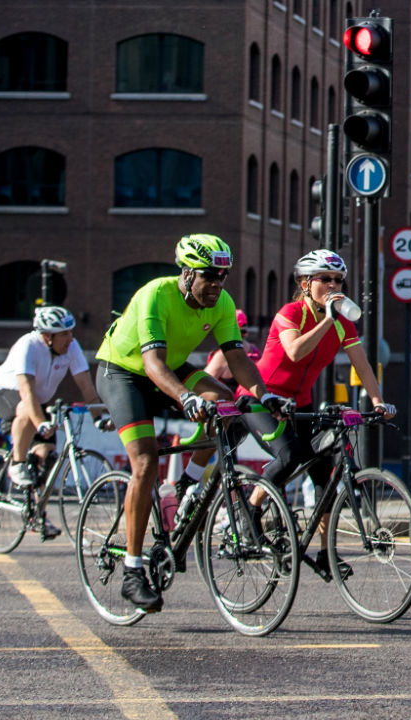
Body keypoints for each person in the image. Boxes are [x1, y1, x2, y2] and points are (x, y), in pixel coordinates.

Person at [93, 234, 284, 613]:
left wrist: (264, 395)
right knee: (145, 461)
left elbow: (238, 359)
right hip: (125, 371)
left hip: (171, 366)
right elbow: (153, 365)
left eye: (222, 276)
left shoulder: (222, 302)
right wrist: (186, 398)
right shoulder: (155, 295)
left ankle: (187, 486)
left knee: (227, 406)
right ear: (186, 273)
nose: (216, 284)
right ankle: (132, 571)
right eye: (208, 276)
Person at [235, 250, 389, 502]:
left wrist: (378, 402)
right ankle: (250, 511)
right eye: (325, 278)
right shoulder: (291, 313)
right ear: (305, 284)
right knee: (289, 455)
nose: (333, 285)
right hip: (262, 396)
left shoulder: (343, 323)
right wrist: (328, 320)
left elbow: (363, 366)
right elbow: (295, 352)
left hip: (299, 401)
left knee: (321, 469)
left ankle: (326, 542)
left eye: (338, 280)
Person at [0, 305, 102, 538]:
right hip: (5, 391)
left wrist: (100, 418)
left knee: (47, 453)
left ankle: (36, 514)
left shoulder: (72, 347)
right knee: (25, 411)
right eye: (64, 334)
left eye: (71, 332)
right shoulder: (27, 346)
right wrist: (41, 424)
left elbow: (86, 386)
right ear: (47, 336)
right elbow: (26, 392)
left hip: (36, 400)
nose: (70, 338)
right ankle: (17, 463)